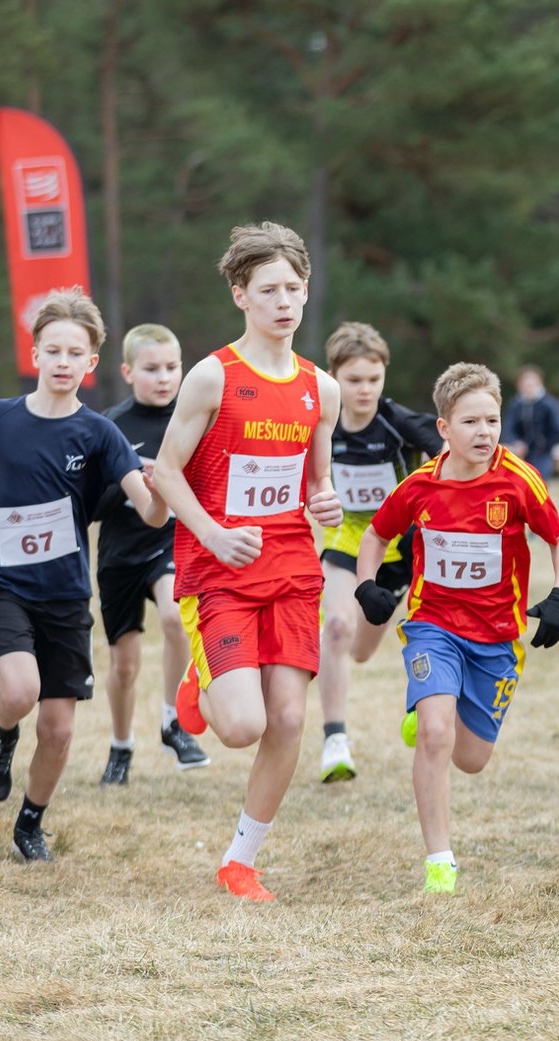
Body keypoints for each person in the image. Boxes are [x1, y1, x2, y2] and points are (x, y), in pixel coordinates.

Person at [0, 289, 166, 861]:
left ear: (91, 363)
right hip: (2, 582)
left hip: (65, 592)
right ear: (35, 353)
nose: (63, 362)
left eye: (75, 353)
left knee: (59, 730)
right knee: (20, 691)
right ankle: (1, 732)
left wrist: (160, 490)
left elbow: (150, 510)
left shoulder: (101, 435)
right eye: (53, 350)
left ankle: (30, 823)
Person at [152, 221, 342, 902]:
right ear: (240, 295)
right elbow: (166, 471)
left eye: (292, 288)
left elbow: (317, 481)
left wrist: (327, 502)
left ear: (306, 289)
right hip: (219, 571)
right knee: (242, 726)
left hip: (292, 568)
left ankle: (241, 861)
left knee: (288, 720)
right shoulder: (212, 377)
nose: (283, 302)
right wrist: (212, 533)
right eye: (268, 290)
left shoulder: (322, 388)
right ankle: (199, 681)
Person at [353, 362, 559, 893]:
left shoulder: (518, 479)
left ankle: (438, 705)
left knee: (471, 759)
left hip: (496, 636)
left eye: (492, 421)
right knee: (435, 733)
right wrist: (366, 586)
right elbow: (376, 536)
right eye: (470, 422)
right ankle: (439, 860)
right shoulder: (420, 486)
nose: (484, 432)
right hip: (432, 624)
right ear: (444, 428)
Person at [316, 321, 442, 783]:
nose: (365, 390)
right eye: (354, 380)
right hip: (348, 540)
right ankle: (335, 740)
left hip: (401, 548)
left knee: (362, 651)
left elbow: (452, 456)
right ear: (334, 377)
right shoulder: (320, 423)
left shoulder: (399, 422)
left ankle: (419, 704)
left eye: (374, 378)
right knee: (337, 627)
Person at [93, 324, 208, 785]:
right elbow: (92, 504)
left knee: (176, 617)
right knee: (124, 666)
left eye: (172, 367)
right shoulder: (110, 425)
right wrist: (131, 477)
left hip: (172, 542)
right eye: (151, 369)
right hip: (121, 552)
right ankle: (121, 747)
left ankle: (172, 721)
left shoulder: (196, 417)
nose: (164, 378)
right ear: (127, 372)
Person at [501, 365, 559, 479]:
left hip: (542, 453)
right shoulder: (515, 404)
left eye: (531, 384)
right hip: (519, 453)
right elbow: (508, 427)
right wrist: (515, 442)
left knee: (538, 480)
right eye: (525, 384)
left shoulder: (549, 404)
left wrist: (543, 444)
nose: (528, 388)